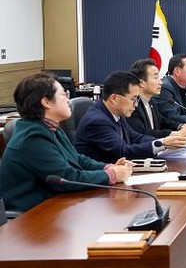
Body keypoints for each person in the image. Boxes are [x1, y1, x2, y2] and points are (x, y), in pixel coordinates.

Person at [0, 73, 132, 212]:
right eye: (64, 95)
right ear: (46, 102)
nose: (68, 100)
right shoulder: (32, 137)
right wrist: (111, 175)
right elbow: (66, 179)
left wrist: (108, 167)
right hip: (31, 215)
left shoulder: (51, 128)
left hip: (55, 206)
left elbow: (77, 159)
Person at [75, 71, 186, 163]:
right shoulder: (97, 121)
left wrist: (164, 142)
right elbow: (122, 152)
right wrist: (161, 144)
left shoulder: (115, 113)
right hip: (101, 181)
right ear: (114, 98)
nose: (136, 104)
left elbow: (135, 137)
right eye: (133, 99)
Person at [127, 58, 186, 139]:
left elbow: (162, 121)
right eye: (156, 77)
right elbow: (142, 132)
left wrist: (181, 126)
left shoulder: (150, 101)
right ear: (141, 83)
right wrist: (175, 134)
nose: (160, 82)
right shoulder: (133, 105)